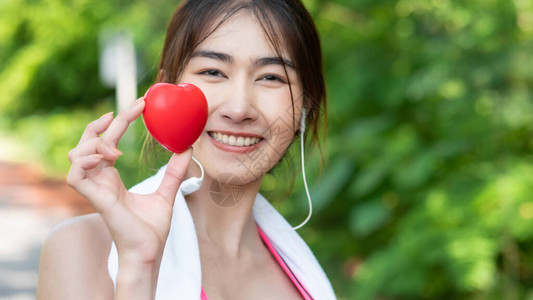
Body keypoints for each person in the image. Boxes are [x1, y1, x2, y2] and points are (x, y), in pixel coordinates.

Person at [36, 0, 336, 299]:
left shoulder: (298, 274)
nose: (239, 108)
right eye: (213, 72)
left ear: (307, 104)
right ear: (167, 87)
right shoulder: (83, 247)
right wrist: (138, 267)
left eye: (271, 77)